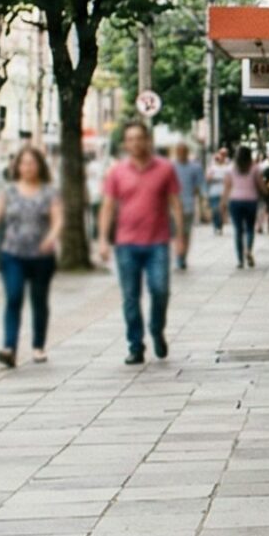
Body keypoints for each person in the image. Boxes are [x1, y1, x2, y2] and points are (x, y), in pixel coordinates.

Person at [95, 121, 184, 364]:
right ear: (125, 143)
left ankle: (156, 329)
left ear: (148, 141)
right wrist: (103, 240)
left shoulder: (165, 169)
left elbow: (175, 203)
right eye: (130, 139)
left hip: (158, 243)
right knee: (131, 296)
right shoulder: (117, 172)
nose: (135, 143)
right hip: (126, 244)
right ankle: (135, 345)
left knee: (160, 290)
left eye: (139, 138)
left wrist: (181, 239)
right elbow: (108, 207)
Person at [0, 144, 62, 367]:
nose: (27, 167)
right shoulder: (8, 191)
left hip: (41, 255)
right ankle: (9, 347)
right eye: (23, 163)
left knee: (39, 300)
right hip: (12, 253)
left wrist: (51, 237)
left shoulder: (49, 192)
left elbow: (58, 220)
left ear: (39, 166)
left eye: (32, 163)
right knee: (14, 297)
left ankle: (38, 346)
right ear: (17, 167)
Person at [224, 145, 263, 268]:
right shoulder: (255, 168)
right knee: (250, 228)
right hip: (251, 200)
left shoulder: (230, 169)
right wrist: (266, 192)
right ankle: (248, 251)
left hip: (235, 201)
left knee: (238, 231)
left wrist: (223, 203)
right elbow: (260, 185)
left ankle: (240, 260)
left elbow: (227, 187)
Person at [170, 143, 205, 270]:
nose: (181, 154)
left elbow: (200, 186)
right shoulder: (171, 167)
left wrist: (201, 202)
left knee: (186, 232)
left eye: (183, 151)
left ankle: (182, 256)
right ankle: (179, 256)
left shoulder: (195, 167)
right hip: (173, 207)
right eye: (179, 151)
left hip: (188, 205)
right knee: (176, 232)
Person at [204, 149, 229, 235]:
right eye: (217, 158)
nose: (219, 159)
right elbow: (207, 178)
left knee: (222, 210)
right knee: (215, 209)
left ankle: (220, 226)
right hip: (213, 191)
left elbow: (229, 180)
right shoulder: (212, 167)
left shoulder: (226, 168)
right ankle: (216, 225)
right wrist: (211, 178)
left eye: (221, 157)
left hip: (223, 191)